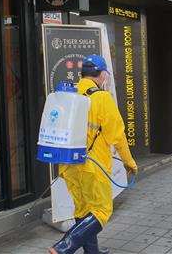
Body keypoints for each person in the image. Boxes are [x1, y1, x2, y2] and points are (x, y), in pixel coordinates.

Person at [49, 55, 138, 254]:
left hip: (68, 165)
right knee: (102, 210)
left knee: (83, 210)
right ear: (103, 74)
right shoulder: (102, 97)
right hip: (92, 166)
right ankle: (63, 247)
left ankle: (92, 252)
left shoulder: (68, 93)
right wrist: (129, 162)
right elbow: (118, 136)